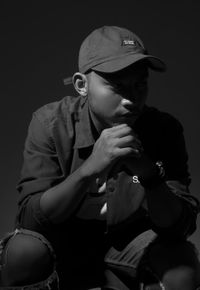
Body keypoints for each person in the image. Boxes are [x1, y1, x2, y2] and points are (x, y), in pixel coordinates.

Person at [0, 25, 200, 290]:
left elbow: (179, 228)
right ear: (82, 85)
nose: (131, 99)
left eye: (140, 85)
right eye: (117, 86)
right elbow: (30, 219)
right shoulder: (50, 123)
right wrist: (89, 170)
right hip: (61, 243)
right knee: (23, 253)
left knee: (181, 266)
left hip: (126, 245)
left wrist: (149, 175)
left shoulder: (163, 130)